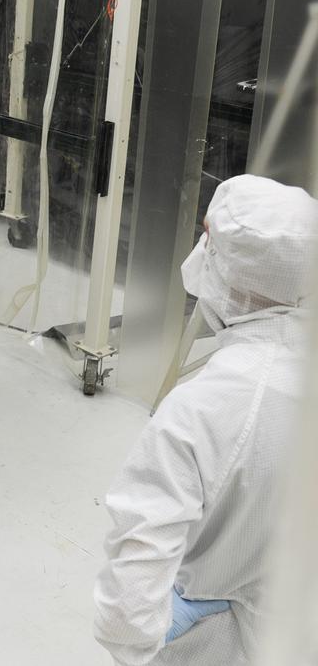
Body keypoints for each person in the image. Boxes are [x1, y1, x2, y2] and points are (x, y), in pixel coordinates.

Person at [94, 174, 317, 665]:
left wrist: (141, 639)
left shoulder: (201, 411)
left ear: (225, 265)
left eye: (207, 238)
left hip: (206, 647)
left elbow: (130, 602)